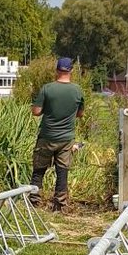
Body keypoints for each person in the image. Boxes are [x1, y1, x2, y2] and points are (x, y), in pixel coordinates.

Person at [30, 56, 85, 211]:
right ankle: (59, 205)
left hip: (47, 136)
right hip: (67, 138)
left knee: (39, 169)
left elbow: (36, 111)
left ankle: (34, 201)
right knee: (62, 171)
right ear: (71, 71)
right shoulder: (77, 90)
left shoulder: (47, 88)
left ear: (57, 70)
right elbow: (80, 114)